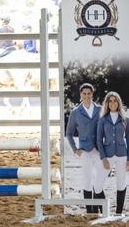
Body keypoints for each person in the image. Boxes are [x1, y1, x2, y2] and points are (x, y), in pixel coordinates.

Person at [65, 83, 102, 214]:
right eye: (84, 93)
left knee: (99, 179)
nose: (86, 96)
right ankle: (90, 211)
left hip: (99, 150)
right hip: (84, 150)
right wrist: (75, 149)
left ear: (92, 94)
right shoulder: (75, 112)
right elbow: (69, 133)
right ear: (81, 94)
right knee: (87, 180)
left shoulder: (100, 109)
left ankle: (100, 209)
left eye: (89, 93)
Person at [95, 91, 129, 216]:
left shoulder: (125, 119)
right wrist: (103, 158)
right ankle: (105, 212)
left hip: (122, 155)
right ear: (107, 103)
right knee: (97, 186)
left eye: (115, 101)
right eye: (110, 101)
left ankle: (119, 213)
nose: (113, 103)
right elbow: (99, 140)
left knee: (121, 183)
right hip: (108, 155)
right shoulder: (103, 119)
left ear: (118, 103)